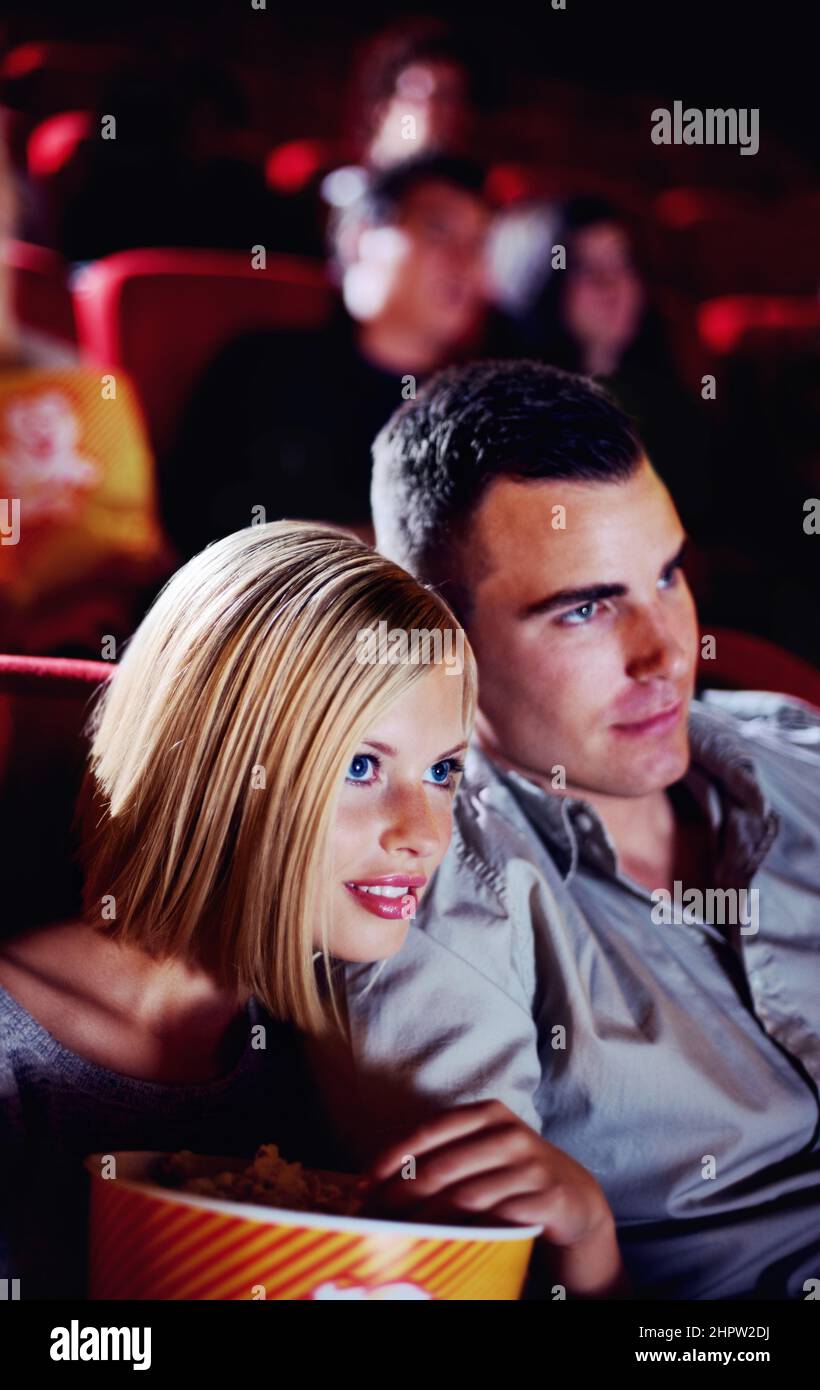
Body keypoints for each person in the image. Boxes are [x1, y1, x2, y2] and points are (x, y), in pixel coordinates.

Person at [0, 520, 626, 1300]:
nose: (423, 835)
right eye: (362, 765)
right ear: (219, 766)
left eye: (441, 773)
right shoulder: (15, 1058)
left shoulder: (339, 1051)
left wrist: (587, 1247)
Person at [332, 359, 820, 1300]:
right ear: (444, 637)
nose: (668, 651)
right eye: (586, 608)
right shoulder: (417, 894)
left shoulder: (790, 742)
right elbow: (481, 1279)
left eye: (668, 575)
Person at [163, 154, 498, 558]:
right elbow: (199, 521)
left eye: (479, 242)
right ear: (359, 239)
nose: (463, 260)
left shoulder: (480, 409)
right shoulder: (263, 366)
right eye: (438, 230)